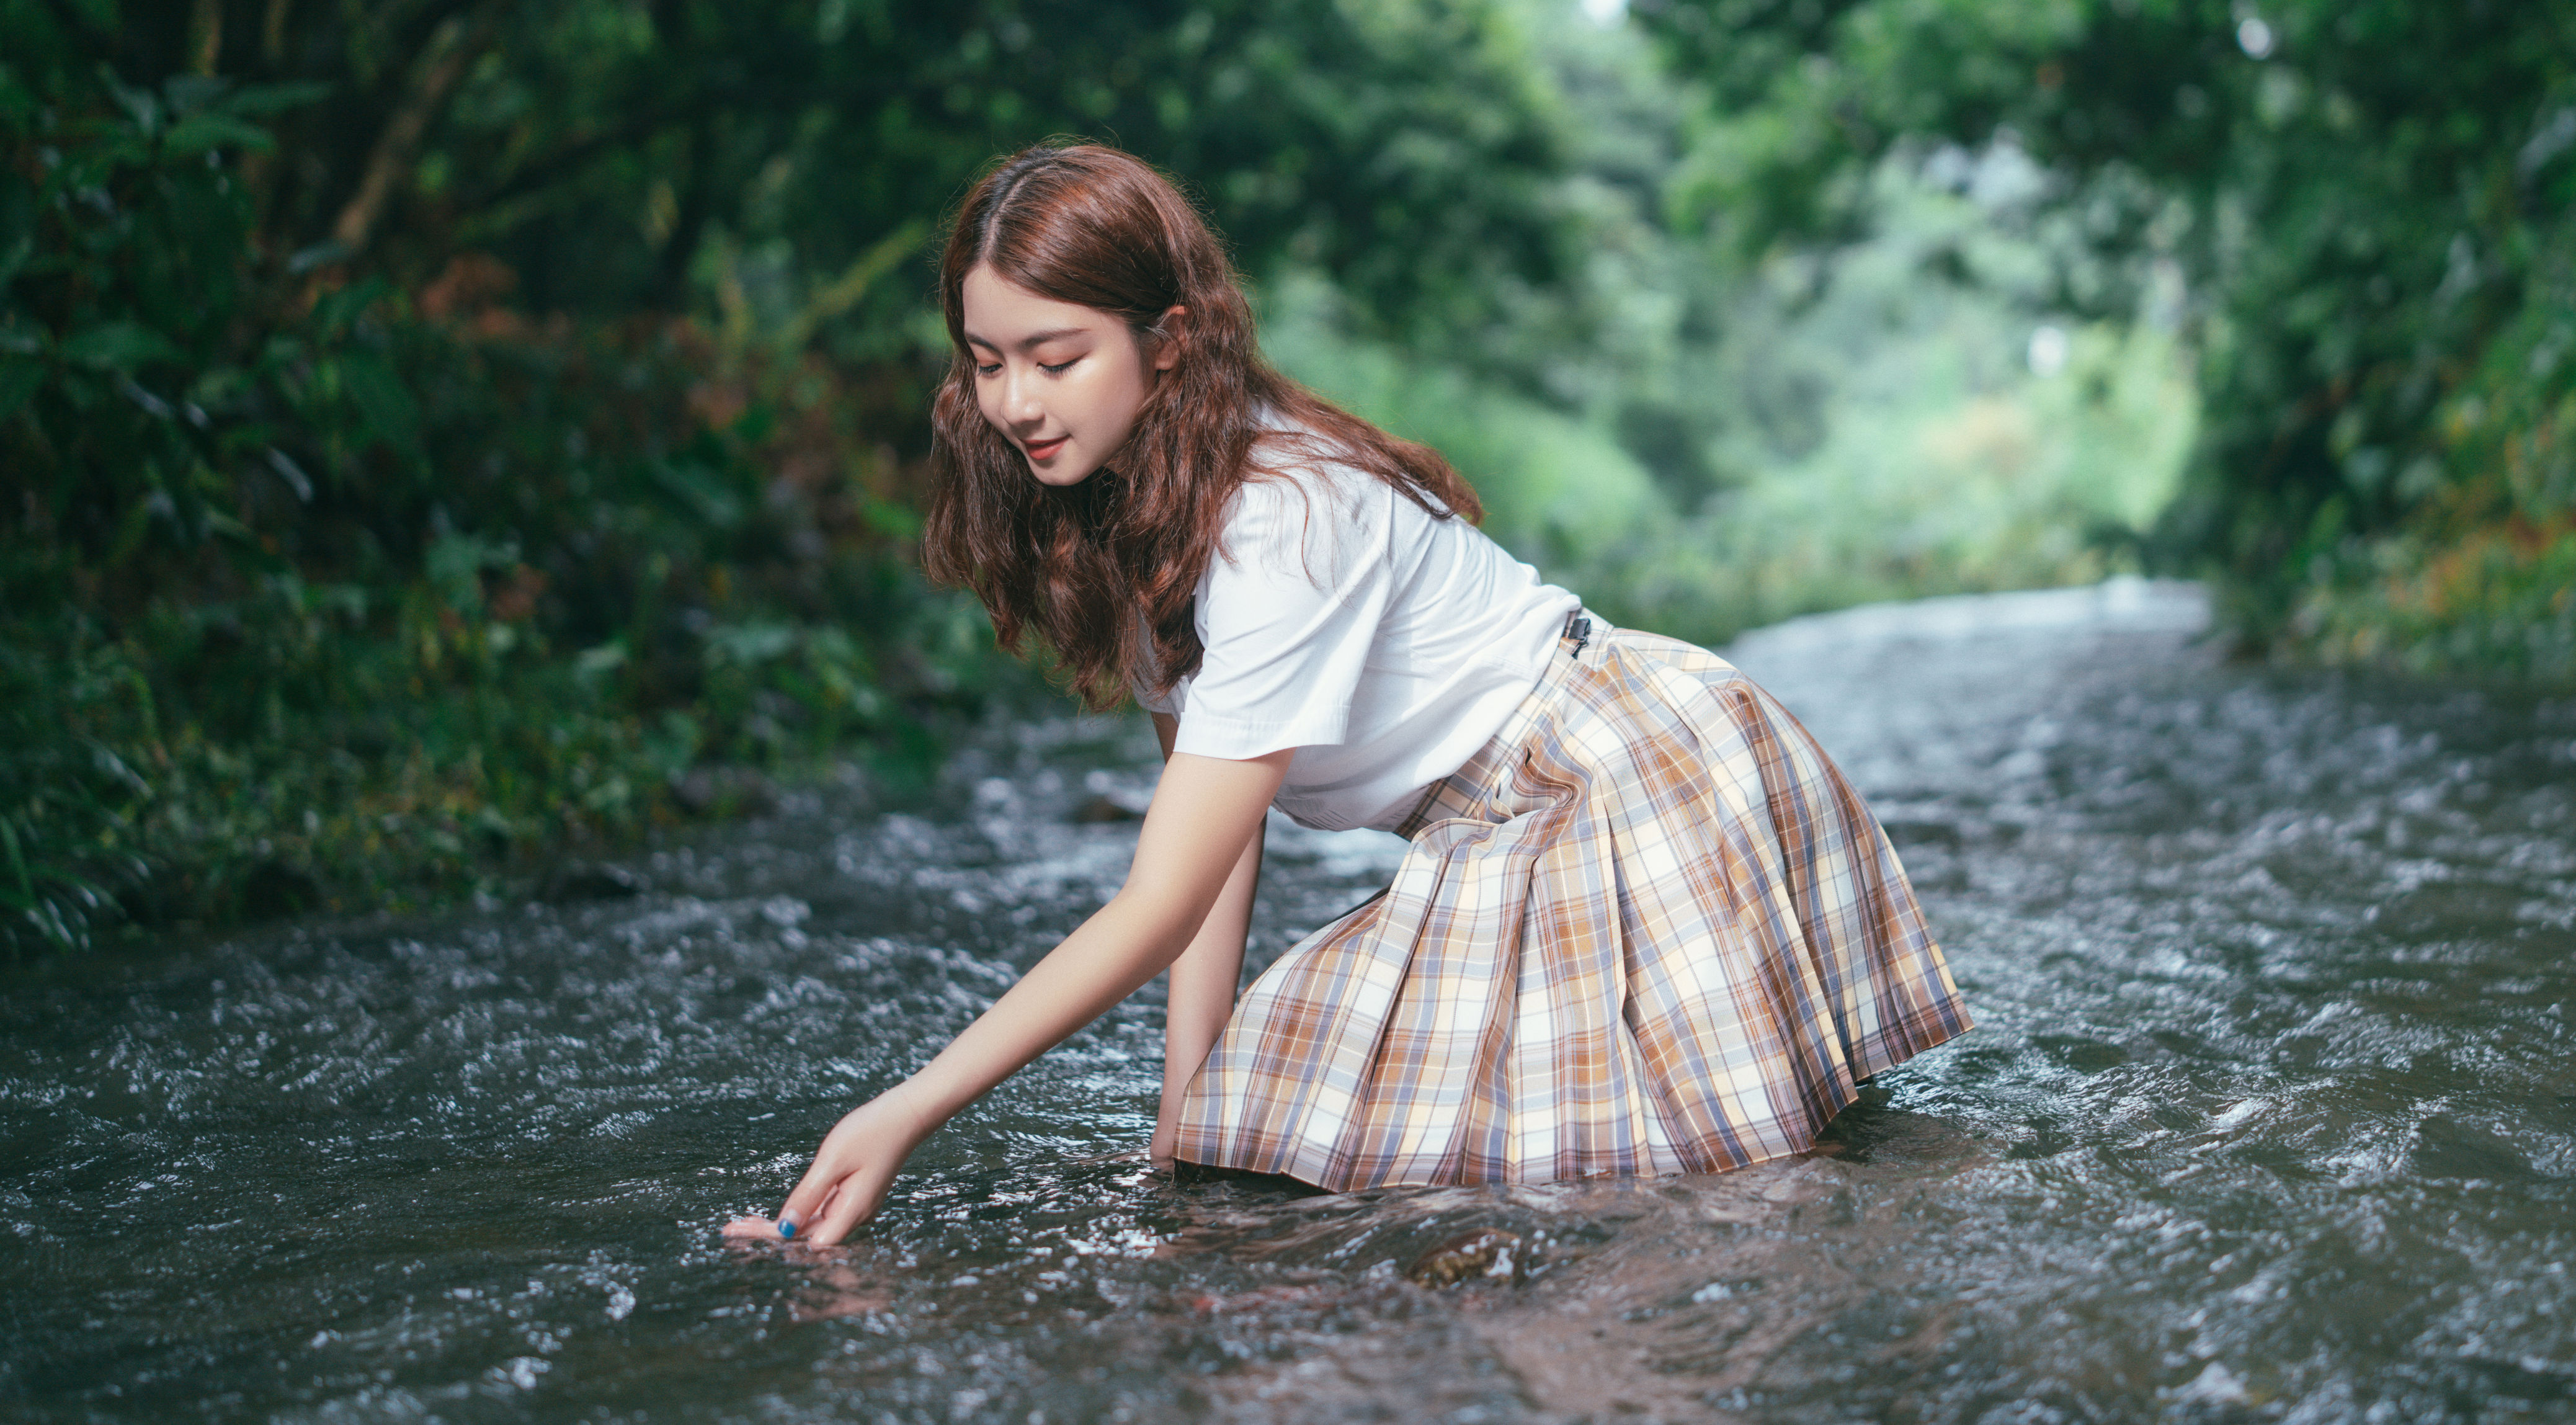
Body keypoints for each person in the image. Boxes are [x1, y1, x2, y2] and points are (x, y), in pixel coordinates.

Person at [744, 144, 1968, 1244]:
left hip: (1619, 782)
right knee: (1275, 1132)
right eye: (988, 361)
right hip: (1514, 810)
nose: (1015, 403)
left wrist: (907, 1111)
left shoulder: (1280, 515)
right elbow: (1209, 835)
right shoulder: (1141, 507)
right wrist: (1187, 1121)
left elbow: (1155, 901)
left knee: (1646, 1224)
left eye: (1056, 358)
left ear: (1166, 340)